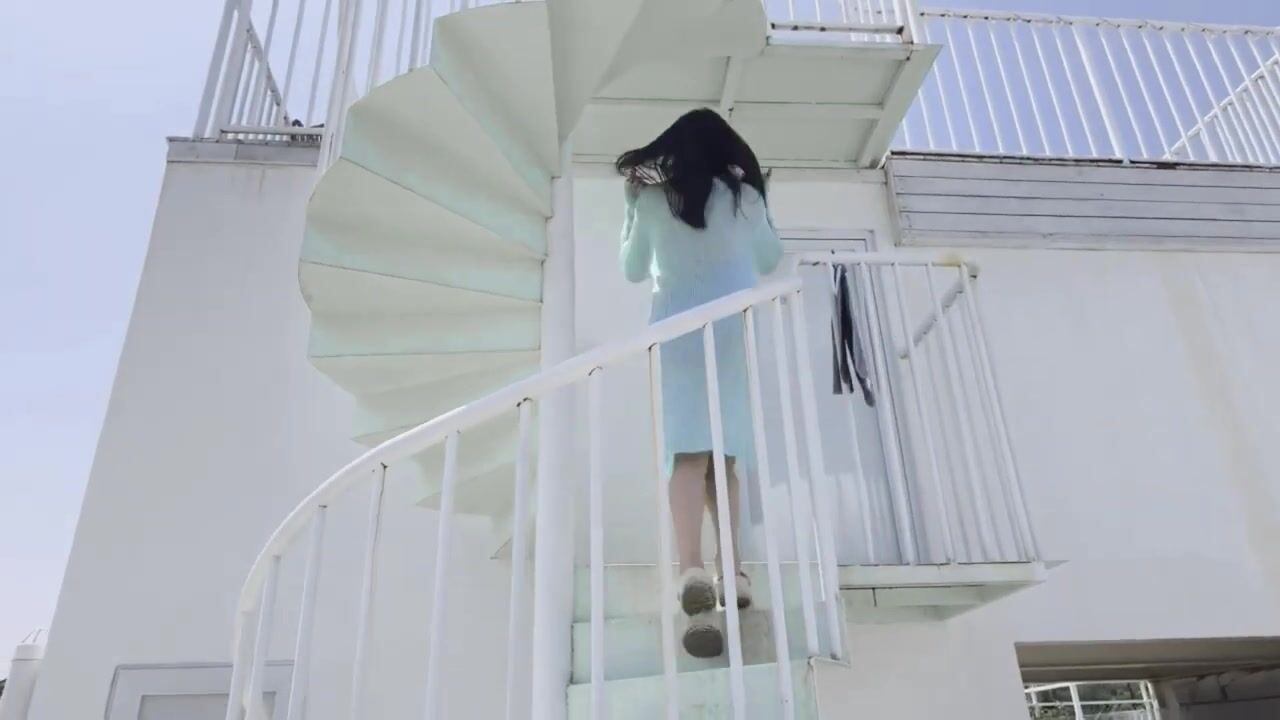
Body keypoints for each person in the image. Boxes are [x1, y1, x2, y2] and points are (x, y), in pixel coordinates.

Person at [617, 108, 783, 659]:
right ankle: (730, 570)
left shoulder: (653, 200)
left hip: (676, 333)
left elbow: (633, 270)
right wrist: (763, 201)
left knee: (687, 456)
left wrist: (630, 210)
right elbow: (769, 258)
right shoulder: (743, 198)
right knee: (725, 456)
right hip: (730, 331)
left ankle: (691, 568)